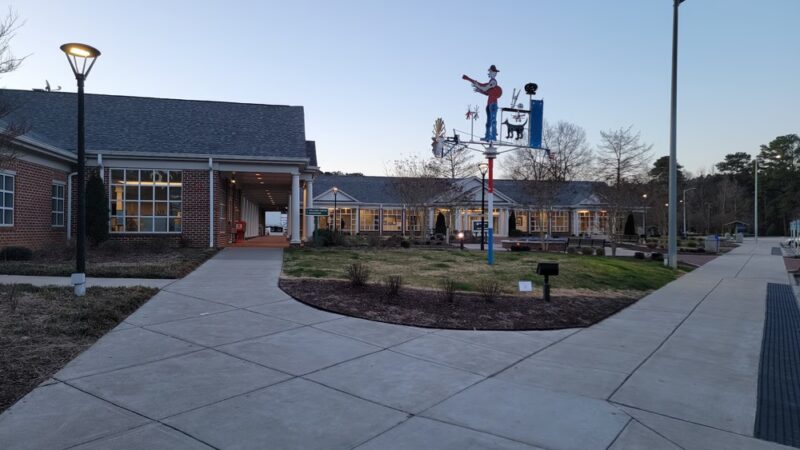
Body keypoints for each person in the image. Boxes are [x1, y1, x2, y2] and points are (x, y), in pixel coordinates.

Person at [462, 65, 502, 141]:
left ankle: (493, 136)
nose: (490, 73)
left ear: (494, 73)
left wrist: (476, 85)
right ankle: (487, 136)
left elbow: (484, 88)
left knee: (493, 120)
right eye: (490, 71)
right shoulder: (490, 82)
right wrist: (479, 90)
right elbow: (487, 92)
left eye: (492, 71)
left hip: (493, 104)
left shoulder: (493, 82)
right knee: (488, 121)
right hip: (489, 104)